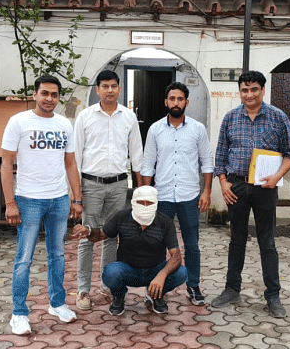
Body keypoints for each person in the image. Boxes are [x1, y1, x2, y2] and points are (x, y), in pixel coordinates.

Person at [1, 75, 84, 335]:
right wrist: (10, 202)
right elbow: (6, 164)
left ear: (59, 97)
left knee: (57, 255)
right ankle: (18, 314)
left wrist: (77, 198)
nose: (49, 99)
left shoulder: (64, 124)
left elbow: (70, 163)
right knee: (24, 259)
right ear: (35, 95)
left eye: (54, 94)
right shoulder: (19, 122)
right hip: (28, 200)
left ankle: (57, 304)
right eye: (44, 93)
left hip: (59, 199)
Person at [211, 70, 290, 318]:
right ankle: (231, 289)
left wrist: (277, 177)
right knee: (236, 240)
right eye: (244, 90)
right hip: (236, 187)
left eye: (254, 89)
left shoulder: (278, 117)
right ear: (240, 92)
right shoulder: (230, 118)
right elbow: (221, 155)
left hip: (265, 188)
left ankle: (273, 296)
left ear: (262, 90)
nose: (249, 94)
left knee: (267, 242)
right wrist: (224, 183)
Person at [74, 69, 144, 310]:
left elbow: (137, 155)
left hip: (117, 185)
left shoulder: (129, 117)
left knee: (111, 236)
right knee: (87, 236)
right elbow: (75, 156)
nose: (110, 90)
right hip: (91, 184)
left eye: (114, 86)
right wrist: (76, 194)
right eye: (105, 86)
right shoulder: (85, 117)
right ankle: (83, 290)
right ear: (98, 90)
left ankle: (107, 285)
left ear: (119, 89)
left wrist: (141, 191)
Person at [141, 82, 213, 306]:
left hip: (189, 196)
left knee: (192, 245)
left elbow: (207, 162)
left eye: (180, 99)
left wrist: (207, 192)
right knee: (157, 245)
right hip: (162, 197)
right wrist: (146, 196)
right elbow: (147, 165)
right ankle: (154, 288)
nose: (176, 103)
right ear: (166, 102)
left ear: (186, 102)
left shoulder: (197, 129)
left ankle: (193, 285)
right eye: (172, 99)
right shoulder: (155, 129)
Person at [70, 186, 187, 315]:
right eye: (140, 202)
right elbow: (101, 234)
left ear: (156, 204)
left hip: (154, 271)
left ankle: (156, 294)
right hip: (129, 271)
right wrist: (88, 231)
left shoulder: (165, 222)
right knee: (110, 273)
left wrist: (162, 275)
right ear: (133, 202)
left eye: (149, 203)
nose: (145, 206)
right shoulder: (122, 217)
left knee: (181, 273)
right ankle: (119, 296)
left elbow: (176, 255)